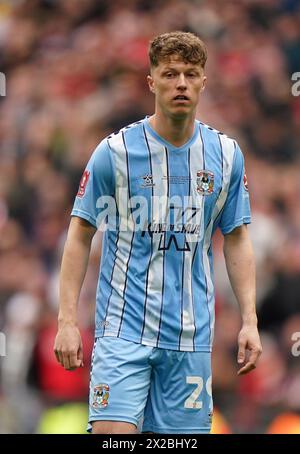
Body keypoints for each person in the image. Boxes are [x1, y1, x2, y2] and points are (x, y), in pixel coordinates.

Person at [54, 31, 262, 434]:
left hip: (191, 337)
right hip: (122, 333)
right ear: (152, 82)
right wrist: (67, 321)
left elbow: (236, 237)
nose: (180, 83)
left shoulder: (226, 156)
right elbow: (80, 233)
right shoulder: (114, 153)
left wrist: (249, 320)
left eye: (190, 74)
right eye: (169, 74)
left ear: (204, 81)